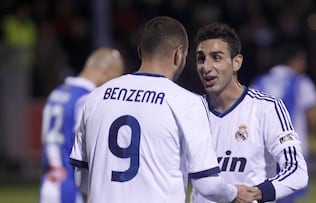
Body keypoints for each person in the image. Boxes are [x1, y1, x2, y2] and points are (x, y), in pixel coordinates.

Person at [69, 16, 256, 203]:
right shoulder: (187, 102)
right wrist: (234, 193)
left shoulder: (95, 97)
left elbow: (81, 179)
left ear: (141, 51)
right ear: (179, 54)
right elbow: (207, 184)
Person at [190, 22, 308, 203]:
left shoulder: (267, 108)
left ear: (236, 62)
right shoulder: (190, 111)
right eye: (201, 58)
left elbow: (297, 171)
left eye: (216, 57)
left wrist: (255, 194)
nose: (206, 66)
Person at [39, 47, 125, 203]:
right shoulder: (87, 99)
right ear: (106, 70)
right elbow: (89, 150)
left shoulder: (58, 92)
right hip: (70, 186)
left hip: (49, 182)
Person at [251, 44, 316, 203]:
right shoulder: (300, 82)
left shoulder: (259, 81)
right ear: (293, 61)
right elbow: (311, 117)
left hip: (263, 150)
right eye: (302, 60)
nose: (304, 64)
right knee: (287, 196)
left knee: (266, 195)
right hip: (290, 148)